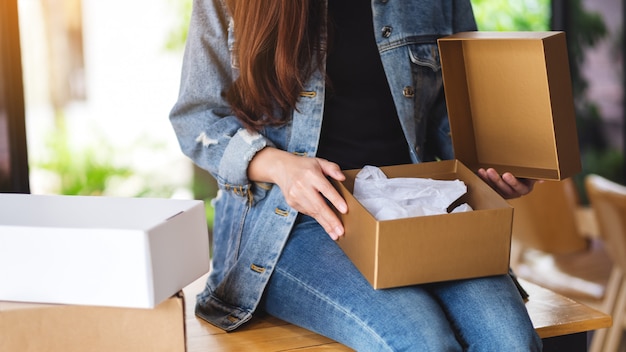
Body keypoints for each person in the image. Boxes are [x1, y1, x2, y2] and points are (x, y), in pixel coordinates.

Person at [170, 0, 542, 350]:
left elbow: (454, 109)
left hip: (416, 209)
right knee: (422, 341)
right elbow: (197, 119)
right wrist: (281, 166)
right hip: (290, 224)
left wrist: (486, 169)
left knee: (511, 341)